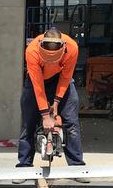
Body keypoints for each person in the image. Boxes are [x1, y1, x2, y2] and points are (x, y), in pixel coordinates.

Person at [17, 28, 85, 169]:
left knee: (71, 123)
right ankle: (24, 165)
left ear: (63, 47)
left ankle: (77, 166)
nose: (51, 62)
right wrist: (45, 116)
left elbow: (66, 77)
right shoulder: (32, 50)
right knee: (28, 123)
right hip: (37, 80)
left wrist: (56, 102)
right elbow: (38, 86)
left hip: (61, 79)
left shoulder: (72, 47)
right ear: (41, 45)